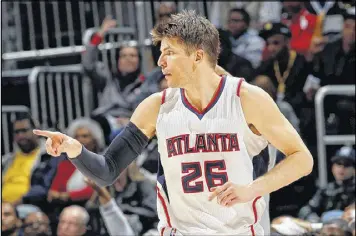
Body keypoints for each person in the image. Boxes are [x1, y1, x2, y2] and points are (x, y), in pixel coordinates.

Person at [34, 10, 313, 235]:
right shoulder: (156, 106)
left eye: (169, 52)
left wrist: (252, 189)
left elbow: (302, 159)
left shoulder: (246, 98)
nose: (160, 61)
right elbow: (107, 171)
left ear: (198, 56)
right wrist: (74, 150)